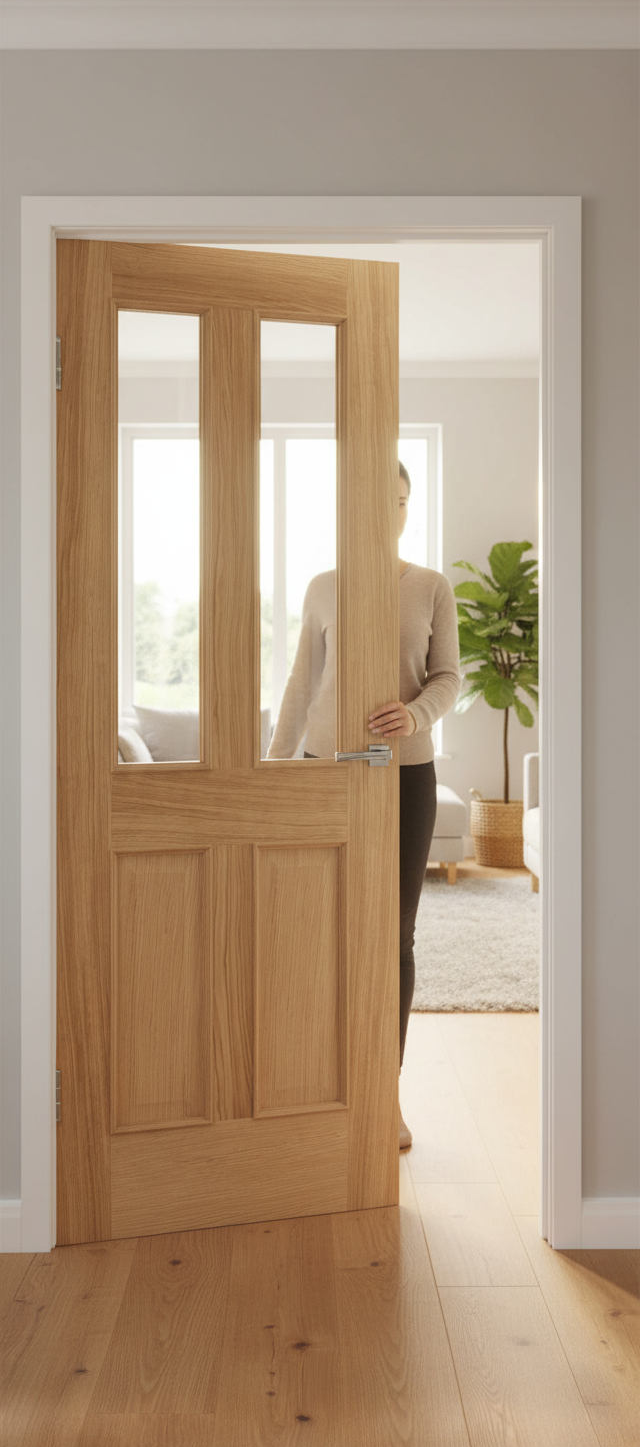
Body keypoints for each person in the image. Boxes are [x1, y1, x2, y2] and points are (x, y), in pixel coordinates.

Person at [267, 461, 461, 1150]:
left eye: (401, 501)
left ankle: (383, 1094)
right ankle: (315, 1090)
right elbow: (301, 685)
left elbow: (448, 678)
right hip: (324, 774)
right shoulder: (323, 587)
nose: (391, 513)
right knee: (318, 934)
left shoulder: (431, 587)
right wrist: (275, 773)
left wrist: (415, 715)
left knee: (393, 938)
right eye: (379, 501)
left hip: (403, 779)